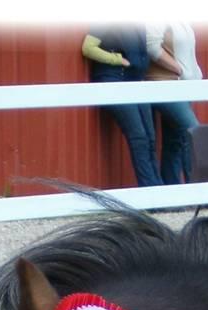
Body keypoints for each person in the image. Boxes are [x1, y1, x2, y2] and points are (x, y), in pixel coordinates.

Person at [82, 26, 163, 187]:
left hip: (136, 82)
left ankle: (158, 190)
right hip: (114, 80)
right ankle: (151, 192)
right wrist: (117, 60)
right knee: (139, 137)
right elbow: (88, 48)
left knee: (150, 138)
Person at [145, 23, 201, 184]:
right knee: (192, 131)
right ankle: (199, 189)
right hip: (163, 84)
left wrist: (194, 74)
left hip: (183, 85)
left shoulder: (182, 21)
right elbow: (151, 46)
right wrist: (180, 70)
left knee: (175, 140)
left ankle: (173, 191)